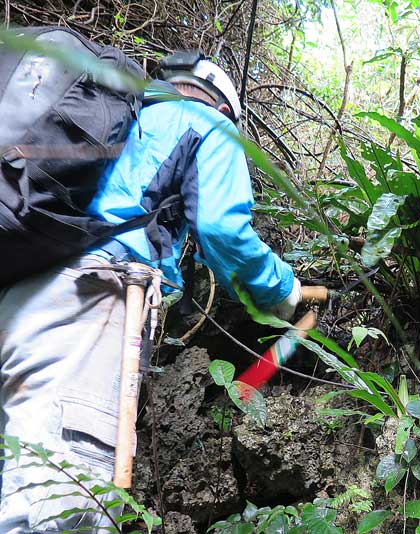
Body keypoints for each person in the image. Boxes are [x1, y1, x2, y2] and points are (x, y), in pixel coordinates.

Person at [0, 51, 300, 532]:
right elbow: (224, 231)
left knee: (22, 476)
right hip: (94, 302)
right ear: (224, 108)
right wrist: (284, 290)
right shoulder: (208, 124)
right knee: (65, 506)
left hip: (23, 302)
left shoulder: (126, 122)